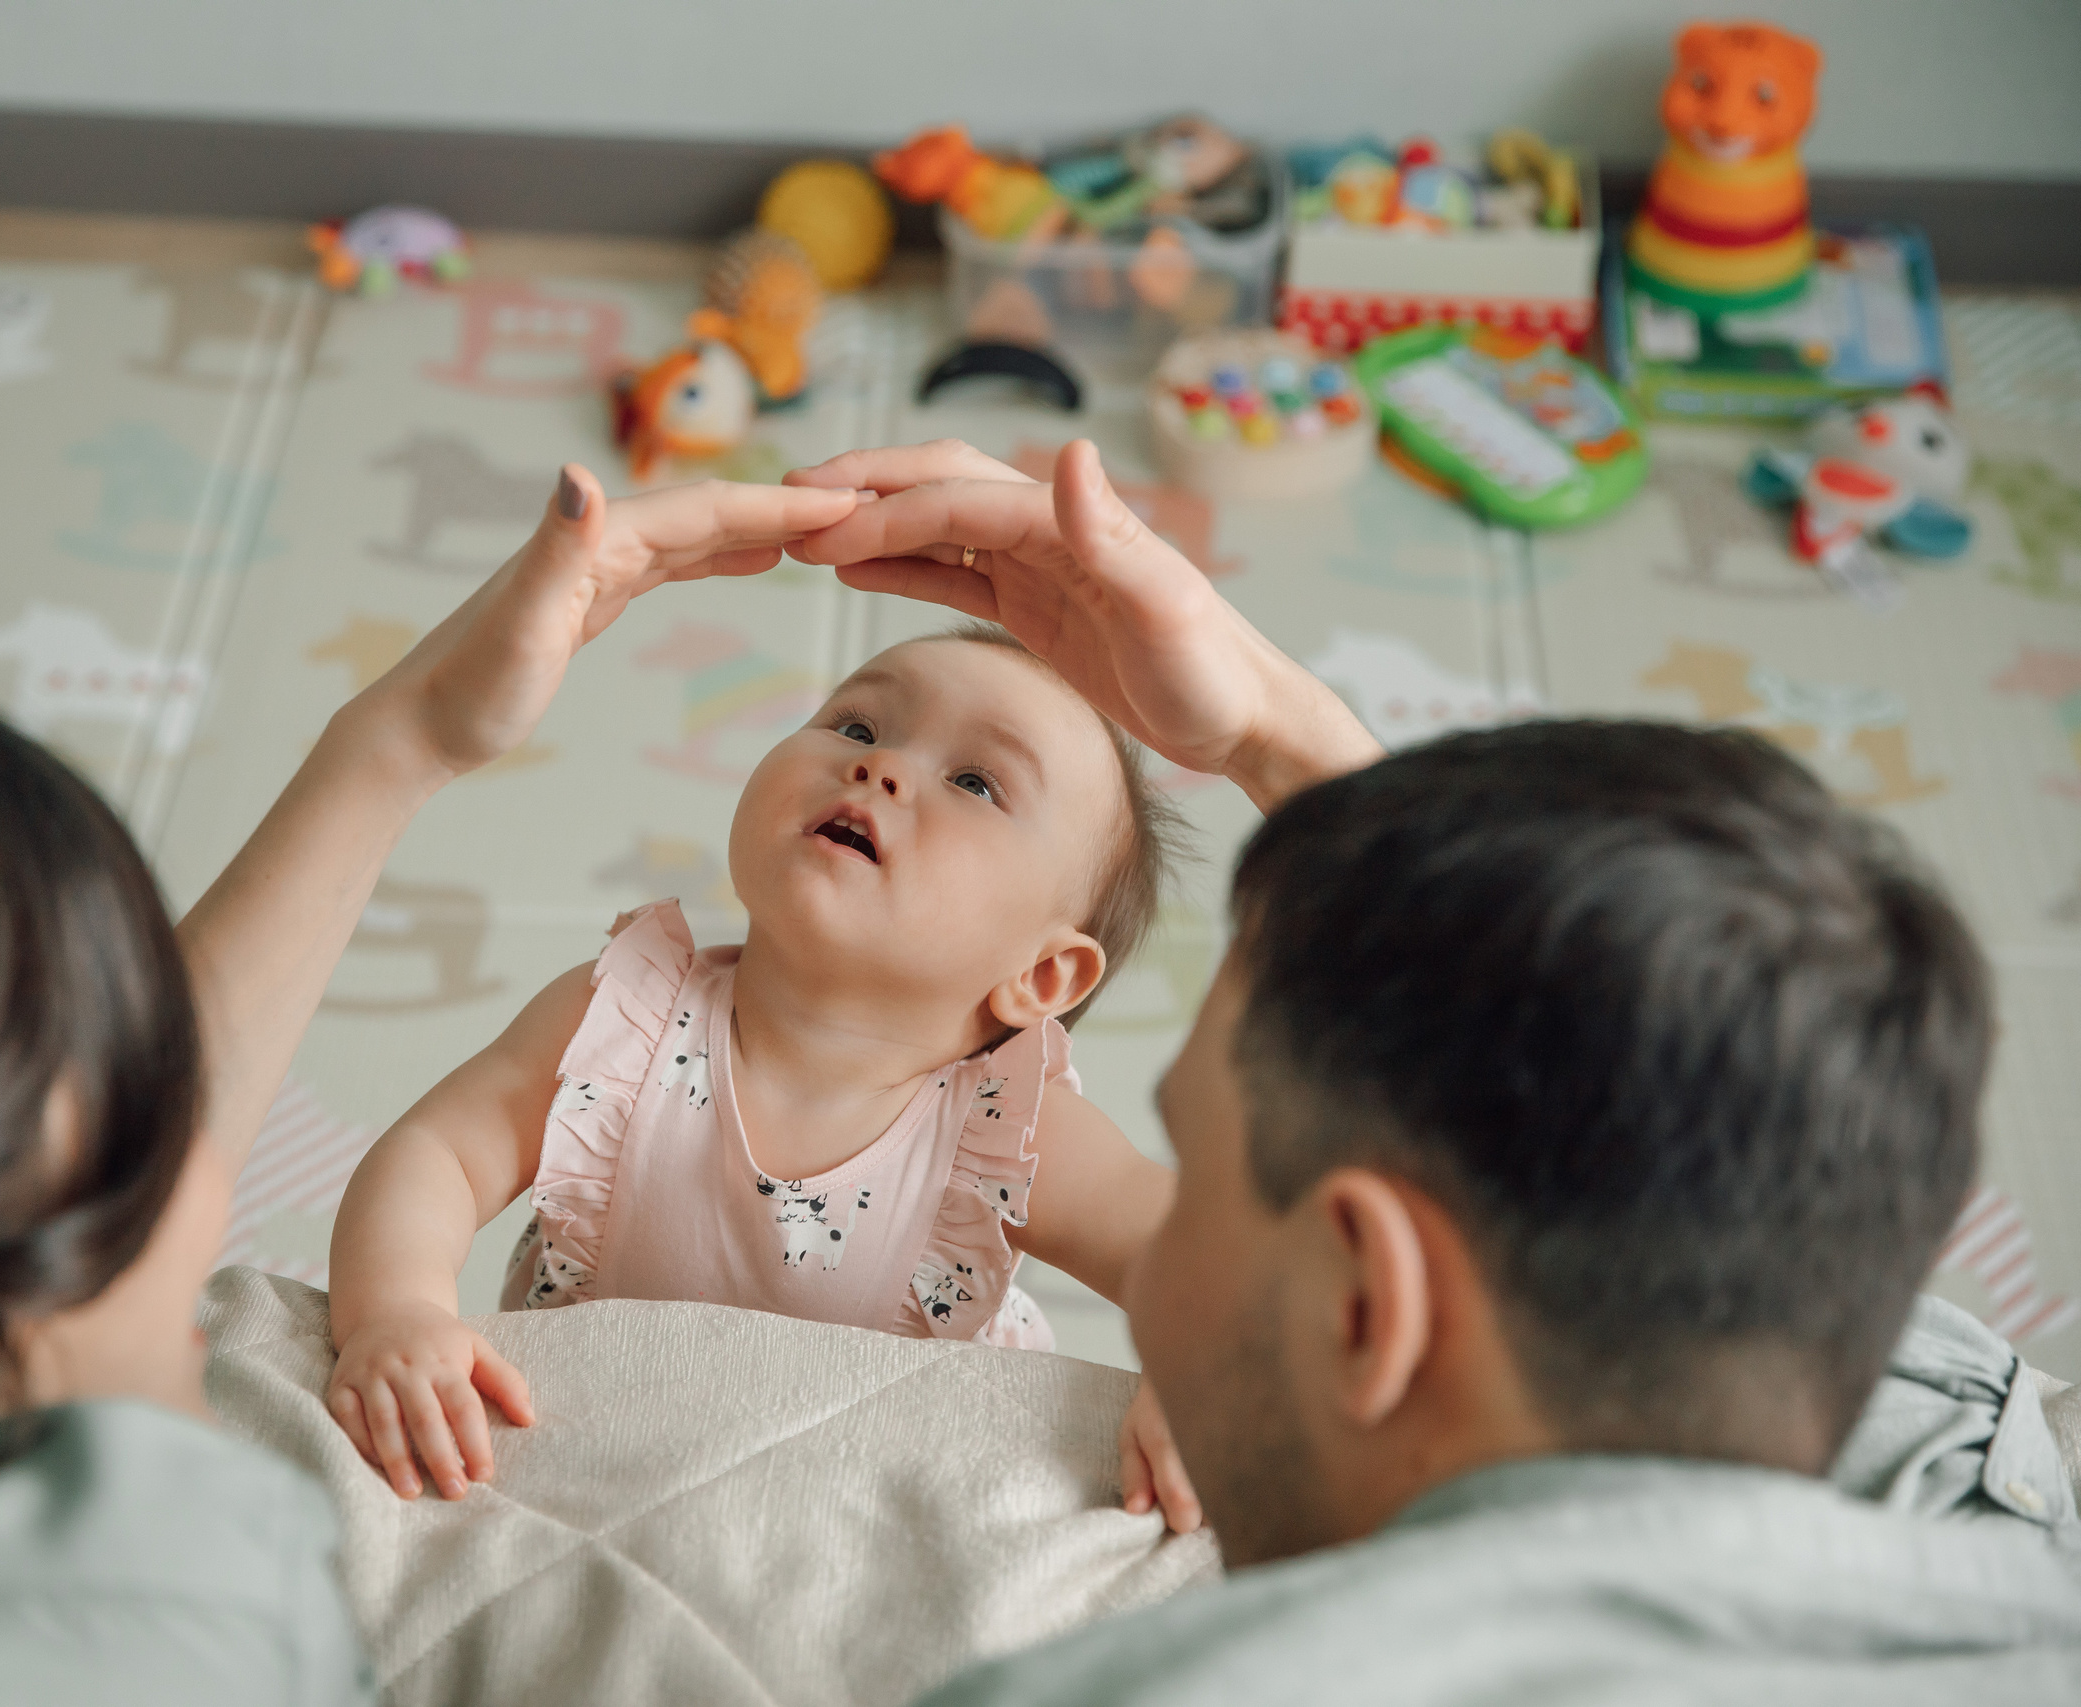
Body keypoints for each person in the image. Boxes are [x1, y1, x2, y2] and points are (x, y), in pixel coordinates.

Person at [0, 467, 864, 1707]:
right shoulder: (131, 1593)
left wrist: (403, 738)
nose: (192, 1148)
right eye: (116, 1091)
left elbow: (96, 1222)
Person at [781, 438, 2081, 1698]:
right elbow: (1617, 1066)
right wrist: (1271, 733)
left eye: (1194, 1174)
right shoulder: (1924, 1428)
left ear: (1363, 1305)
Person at [322, 622, 1203, 1521]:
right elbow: (438, 1152)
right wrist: (398, 1308)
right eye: (858, 726)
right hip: (602, 1452)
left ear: (1041, 975)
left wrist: (1197, 1377)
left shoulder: (1006, 1130)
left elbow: (1200, 1253)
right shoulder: (621, 1020)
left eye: (975, 782)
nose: (881, 767)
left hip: (882, 1501)